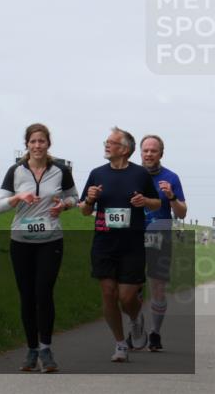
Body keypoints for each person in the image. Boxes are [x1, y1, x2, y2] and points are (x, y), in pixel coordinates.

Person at [0, 123, 78, 373]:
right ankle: (31, 349)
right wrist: (18, 197)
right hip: (21, 242)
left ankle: (46, 349)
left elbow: (75, 198)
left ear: (48, 144)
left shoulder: (61, 171)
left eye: (41, 141)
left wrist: (62, 206)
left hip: (50, 241)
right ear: (27, 145)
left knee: (44, 293)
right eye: (33, 141)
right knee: (27, 296)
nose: (37, 146)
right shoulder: (16, 171)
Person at [79, 127, 161, 362]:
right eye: (106, 141)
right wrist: (90, 200)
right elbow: (85, 210)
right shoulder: (97, 174)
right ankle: (120, 343)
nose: (106, 145)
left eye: (111, 142)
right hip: (104, 243)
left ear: (124, 149)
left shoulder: (140, 175)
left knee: (127, 297)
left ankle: (135, 320)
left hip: (132, 244)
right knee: (108, 293)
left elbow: (155, 203)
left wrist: (145, 200)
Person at [138, 134, 187, 352]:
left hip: (160, 236)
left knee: (157, 287)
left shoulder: (171, 178)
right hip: (133, 237)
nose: (149, 154)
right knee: (132, 288)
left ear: (161, 154)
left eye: (153, 151)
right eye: (145, 150)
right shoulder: (132, 174)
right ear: (140, 152)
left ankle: (155, 333)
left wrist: (172, 196)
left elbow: (182, 213)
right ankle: (134, 329)